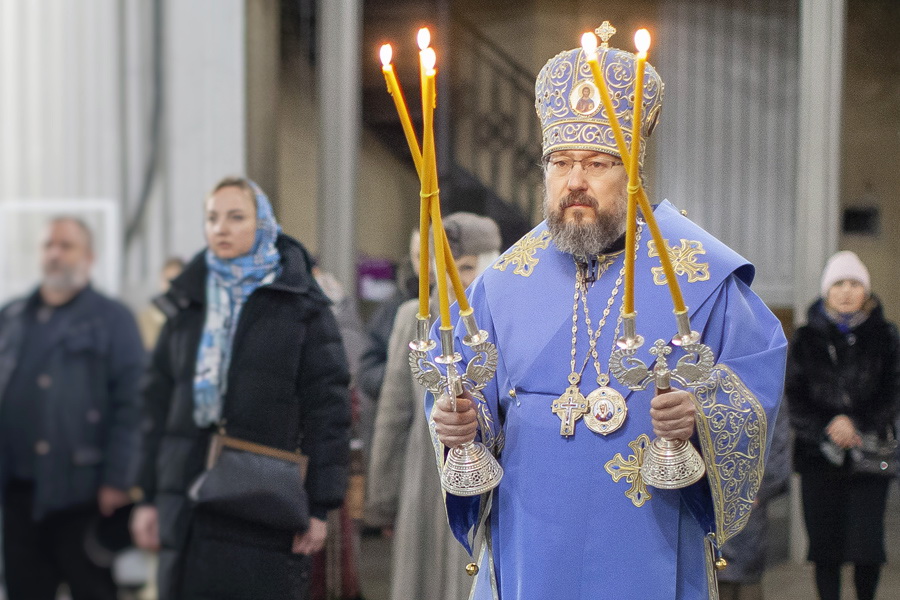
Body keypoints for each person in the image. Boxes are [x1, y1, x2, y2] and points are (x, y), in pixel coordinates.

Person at [429, 29, 787, 599]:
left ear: (633, 172)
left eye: (597, 163)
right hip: (531, 545)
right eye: (560, 163)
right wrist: (459, 429)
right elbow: (469, 400)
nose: (575, 181)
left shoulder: (698, 274)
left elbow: (754, 385)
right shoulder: (502, 283)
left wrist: (699, 419)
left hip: (650, 542)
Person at [131, 177, 351, 600]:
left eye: (236, 217)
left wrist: (320, 506)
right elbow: (154, 406)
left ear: (263, 223)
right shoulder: (186, 304)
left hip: (262, 503)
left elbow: (329, 412)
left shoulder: (302, 305)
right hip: (186, 498)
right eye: (212, 218)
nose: (221, 228)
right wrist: (145, 496)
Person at [0, 216, 145, 600]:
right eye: (48, 245)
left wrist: (118, 478)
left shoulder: (114, 320)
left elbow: (134, 404)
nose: (54, 254)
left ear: (89, 257)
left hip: (84, 495)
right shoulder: (12, 317)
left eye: (66, 246)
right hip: (19, 497)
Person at [366, 212, 501, 600]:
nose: (459, 278)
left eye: (469, 266)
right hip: (423, 474)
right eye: (450, 267)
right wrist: (384, 500)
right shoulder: (414, 318)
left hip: (489, 478)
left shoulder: (506, 321)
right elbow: (394, 414)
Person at [785, 250, 900, 600]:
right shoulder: (804, 338)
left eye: (854, 284)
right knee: (825, 548)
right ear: (826, 291)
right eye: (838, 284)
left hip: (870, 456)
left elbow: (893, 390)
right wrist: (829, 425)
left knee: (868, 548)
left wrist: (856, 422)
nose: (846, 291)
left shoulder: (885, 335)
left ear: (866, 291)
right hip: (818, 457)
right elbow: (794, 396)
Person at [717, 409, 791, 600]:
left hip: (749, 494)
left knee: (746, 574)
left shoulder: (765, 384)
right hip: (707, 494)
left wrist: (759, 487)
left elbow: (777, 441)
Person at [137, 257, 185, 350]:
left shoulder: (192, 315)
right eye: (167, 280)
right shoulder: (147, 317)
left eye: (176, 281)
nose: (171, 286)